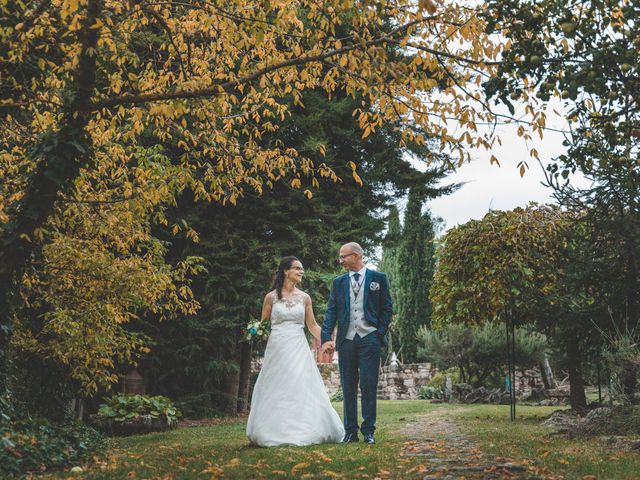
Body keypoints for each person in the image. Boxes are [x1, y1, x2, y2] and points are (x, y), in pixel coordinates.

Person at [246, 256, 345, 447]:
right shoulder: (271, 297)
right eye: (297, 268)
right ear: (285, 271)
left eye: (302, 269)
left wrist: (327, 340)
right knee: (276, 385)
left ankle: (305, 428)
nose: (301, 272)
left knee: (300, 383)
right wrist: (255, 331)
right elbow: (263, 326)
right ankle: (271, 429)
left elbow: (312, 325)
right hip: (277, 347)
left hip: (298, 346)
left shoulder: (305, 298)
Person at [321, 242, 393, 445]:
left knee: (369, 385)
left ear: (356, 256)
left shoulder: (378, 278)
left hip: (370, 338)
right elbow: (331, 311)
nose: (341, 260)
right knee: (348, 386)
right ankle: (350, 432)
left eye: (343, 256)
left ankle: (368, 431)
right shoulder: (338, 282)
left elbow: (387, 308)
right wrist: (327, 337)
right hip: (346, 340)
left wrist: (379, 333)